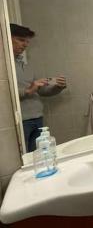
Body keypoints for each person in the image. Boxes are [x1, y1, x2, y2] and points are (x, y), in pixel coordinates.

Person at [10, 23, 66, 152]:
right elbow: (5, 95)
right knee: (24, 157)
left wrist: (58, 87)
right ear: (7, 38)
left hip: (37, 118)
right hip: (20, 121)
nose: (25, 45)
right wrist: (28, 90)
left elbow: (41, 92)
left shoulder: (25, 65)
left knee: (38, 156)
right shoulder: (5, 66)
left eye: (27, 42)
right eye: (21, 40)